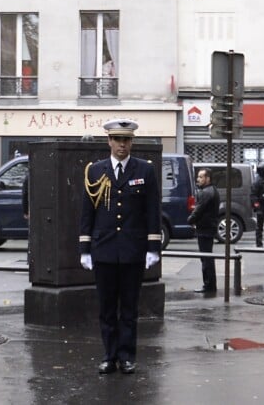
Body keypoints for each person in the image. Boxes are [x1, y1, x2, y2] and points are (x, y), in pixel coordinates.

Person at [79, 118, 161, 375]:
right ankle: (108, 355)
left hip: (132, 250)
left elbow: (152, 211)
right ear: (109, 141)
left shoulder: (144, 170)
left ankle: (126, 356)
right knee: (106, 309)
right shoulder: (95, 171)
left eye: (126, 140)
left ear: (131, 142)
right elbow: (87, 212)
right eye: (117, 139)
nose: (122, 145)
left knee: (128, 308)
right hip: (104, 250)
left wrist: (153, 248)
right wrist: (84, 248)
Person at [187, 167, 219, 294]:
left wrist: (190, 219)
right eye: (198, 176)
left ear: (208, 178)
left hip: (205, 228)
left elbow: (199, 209)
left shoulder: (206, 192)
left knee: (206, 258)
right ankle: (210, 284)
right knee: (207, 257)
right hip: (208, 227)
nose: (198, 179)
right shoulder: (211, 190)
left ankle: (209, 285)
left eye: (201, 177)